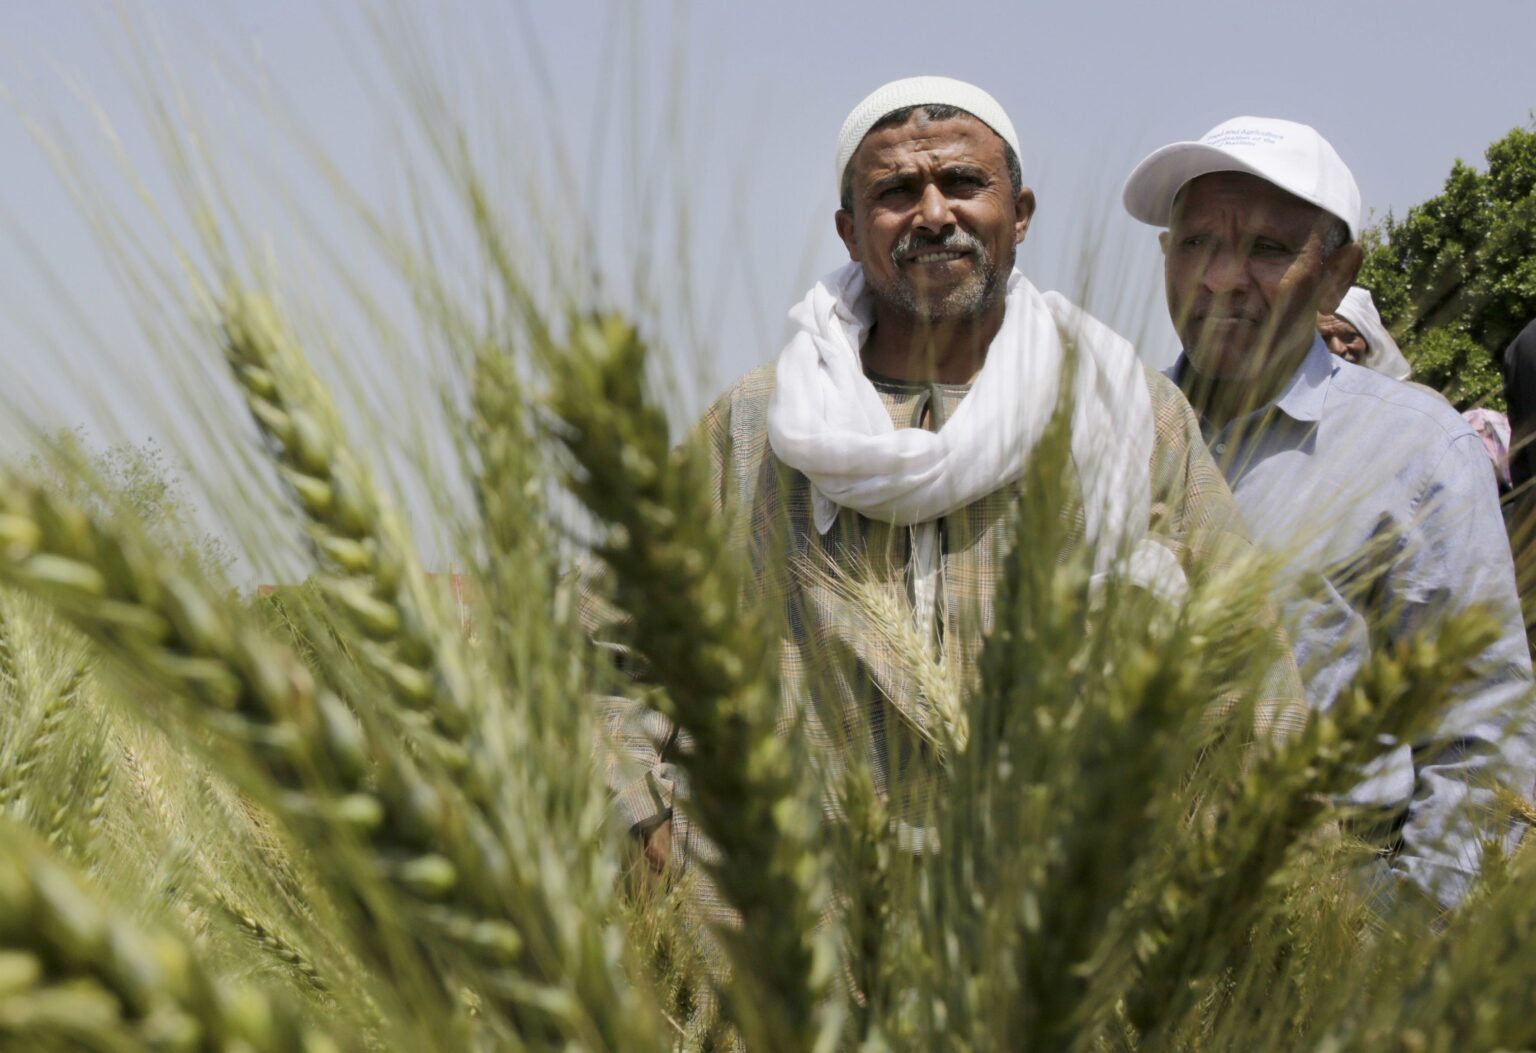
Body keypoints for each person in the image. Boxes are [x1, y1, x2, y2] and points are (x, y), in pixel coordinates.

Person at [608, 79, 1306, 876]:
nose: (933, 214)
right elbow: (606, 653)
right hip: (789, 944)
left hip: (1056, 946)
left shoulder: (1129, 412)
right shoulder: (757, 426)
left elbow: (1249, 676)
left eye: (965, 184)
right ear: (848, 230)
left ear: (1021, 213)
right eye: (896, 192)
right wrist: (653, 841)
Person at [1123, 116, 1535, 912]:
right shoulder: (1108, 424)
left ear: (1338, 274)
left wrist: (1392, 963)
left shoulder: (1416, 450)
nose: (1222, 278)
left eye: (1269, 250)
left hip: (1324, 937)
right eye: (1197, 243)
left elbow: (1481, 740)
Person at [1318, 286, 1412, 380]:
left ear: (1369, 341)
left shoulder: (1399, 392)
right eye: (1323, 339)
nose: (1338, 349)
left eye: (1349, 337)